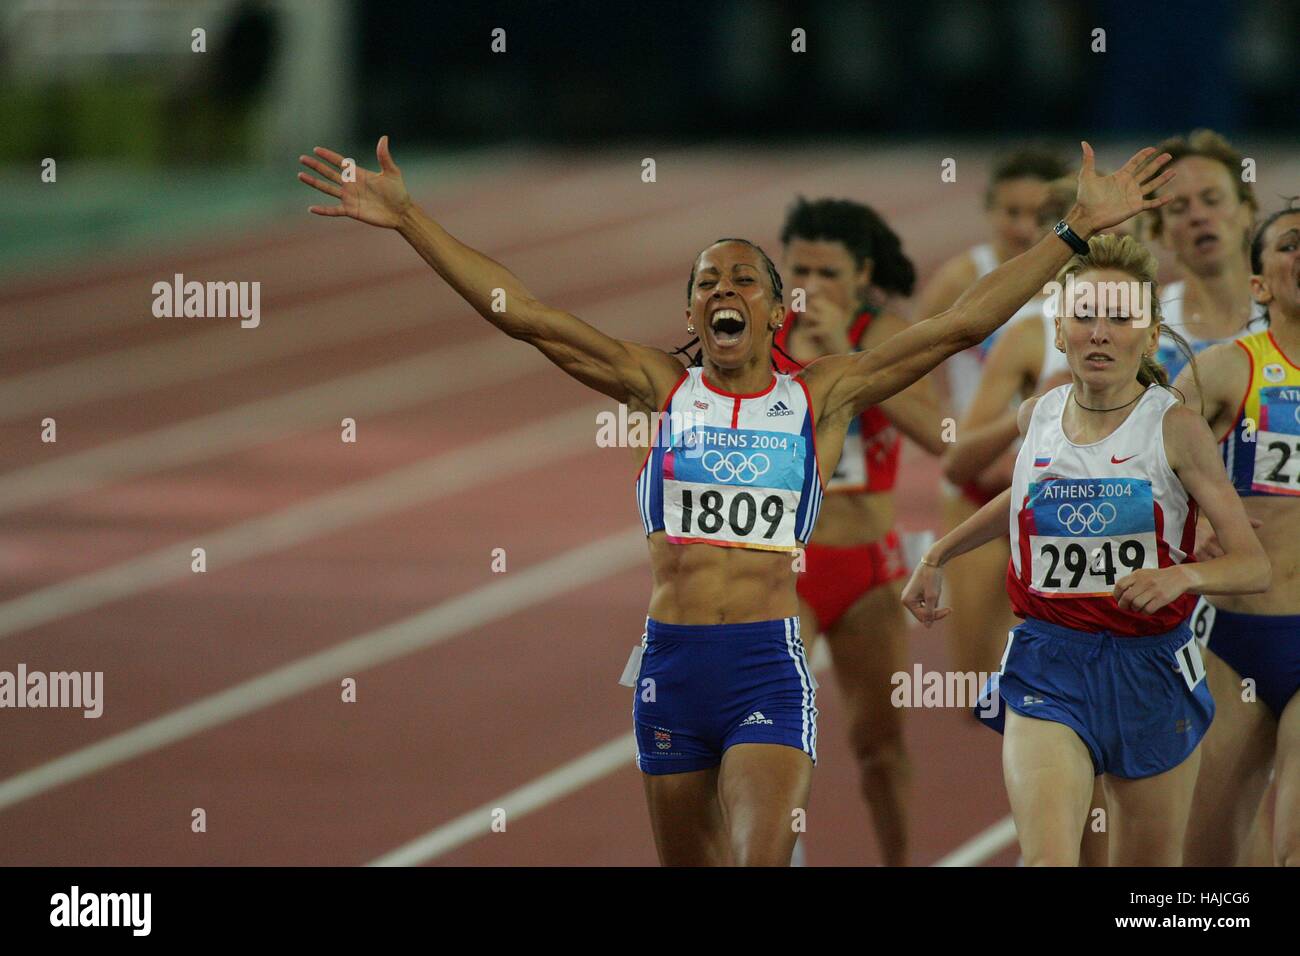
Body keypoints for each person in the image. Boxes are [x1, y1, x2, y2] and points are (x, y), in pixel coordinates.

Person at [298, 136, 1176, 866]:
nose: (725, 291)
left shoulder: (822, 394)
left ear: (775, 312)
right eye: (708, 283)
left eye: (744, 281)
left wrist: (1071, 234)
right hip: (671, 667)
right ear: (691, 310)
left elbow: (957, 327)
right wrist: (410, 218)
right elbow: (521, 313)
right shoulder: (658, 385)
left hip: (763, 663)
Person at [902, 233, 1270, 866]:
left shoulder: (1175, 429)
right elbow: (1022, 498)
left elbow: (1252, 565)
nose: (1100, 332)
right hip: (1050, 661)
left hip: (1150, 669)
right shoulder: (1039, 416)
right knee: (1048, 860)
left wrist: (1181, 580)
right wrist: (940, 553)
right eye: (1085, 315)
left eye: (1120, 317)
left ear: (1150, 334)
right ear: (1062, 329)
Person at [773, 198, 947, 865]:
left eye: (829, 272)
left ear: (863, 272)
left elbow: (937, 436)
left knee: (879, 745)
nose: (812, 288)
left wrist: (849, 355)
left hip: (869, 570)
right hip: (785, 564)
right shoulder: (763, 332)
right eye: (800, 270)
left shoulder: (886, 330)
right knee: (779, 738)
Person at [913, 148, 1069, 681]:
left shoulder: (1082, 286)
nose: (1025, 228)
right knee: (976, 672)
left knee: (1049, 655)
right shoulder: (965, 277)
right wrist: (952, 438)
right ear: (988, 211)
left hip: (1059, 484)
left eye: (1039, 216)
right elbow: (911, 364)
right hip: (977, 480)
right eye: (1012, 212)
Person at [1175, 205, 1300, 866]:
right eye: (1291, 244)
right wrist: (1190, 528)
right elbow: (1145, 458)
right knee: (1210, 859)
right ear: (1260, 285)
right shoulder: (1227, 368)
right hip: (1236, 638)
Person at [1144, 129, 1267, 380]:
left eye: (1212, 200)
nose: (1198, 216)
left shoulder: (1288, 312)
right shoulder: (1141, 321)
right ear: (1162, 232)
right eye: (1179, 208)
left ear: (1247, 212)